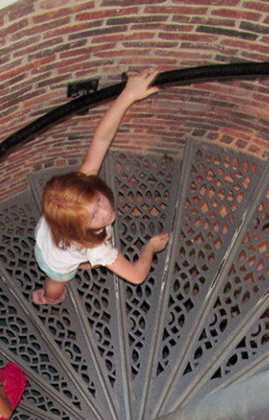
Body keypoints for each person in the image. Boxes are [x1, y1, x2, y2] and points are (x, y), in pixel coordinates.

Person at [32, 69, 170, 306]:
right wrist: (151, 247)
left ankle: (75, 265)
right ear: (77, 229)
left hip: (47, 235)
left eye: (97, 201)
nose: (105, 211)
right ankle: (46, 298)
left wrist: (128, 95)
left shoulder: (75, 196)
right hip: (54, 260)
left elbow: (102, 138)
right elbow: (136, 276)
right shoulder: (96, 248)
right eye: (94, 215)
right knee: (58, 281)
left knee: (76, 258)